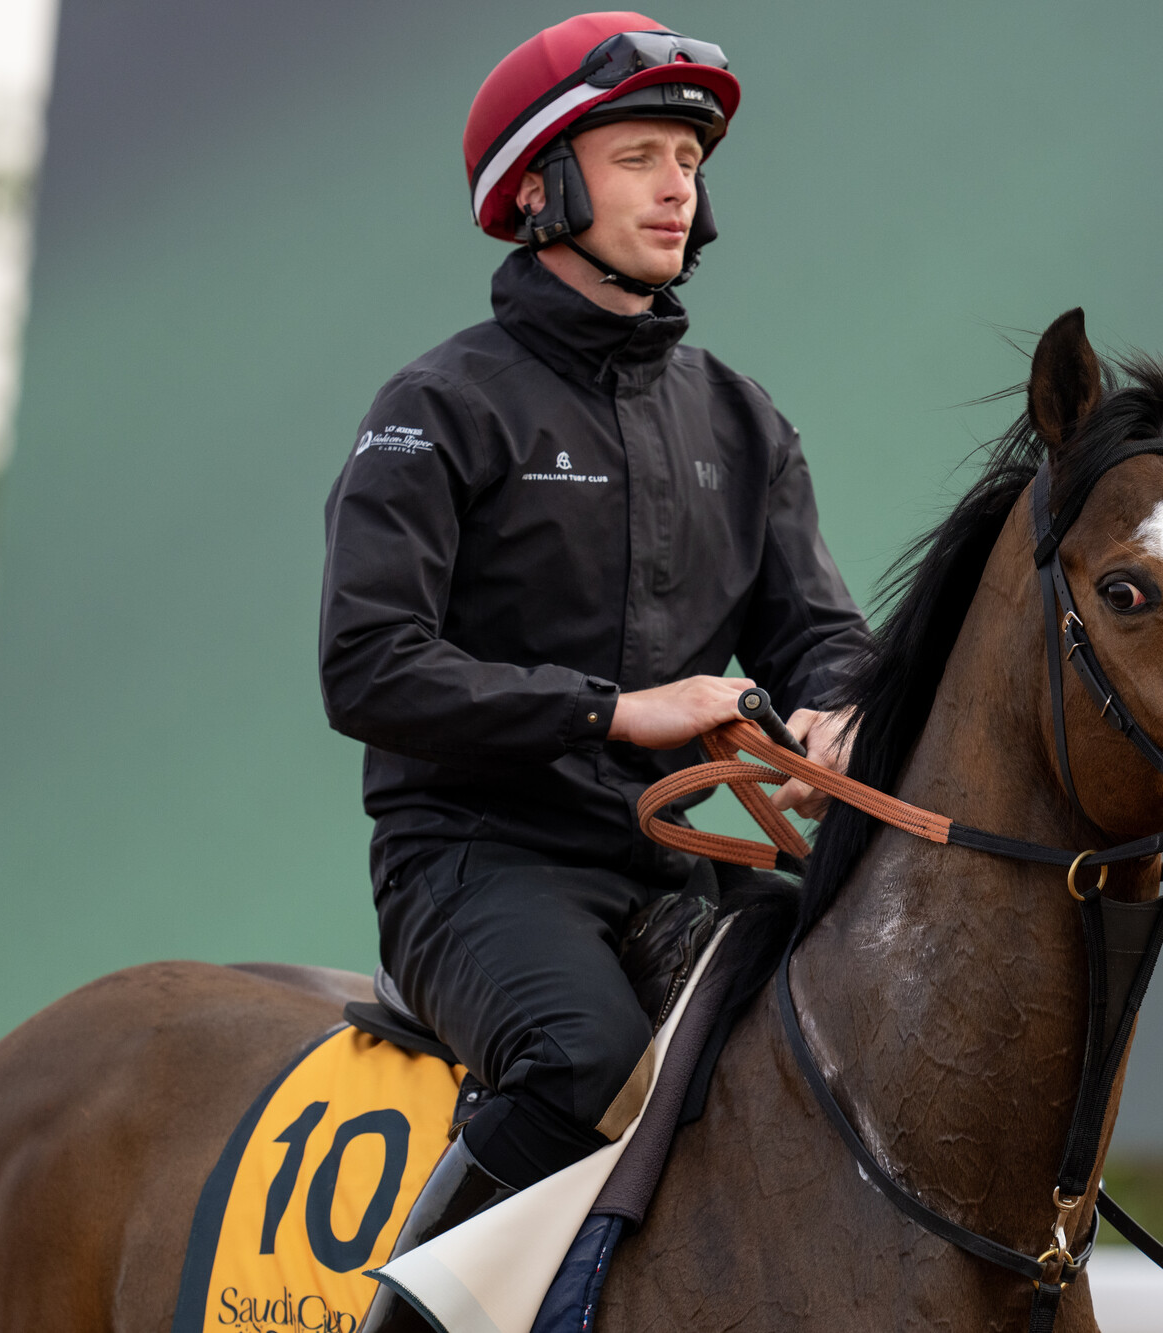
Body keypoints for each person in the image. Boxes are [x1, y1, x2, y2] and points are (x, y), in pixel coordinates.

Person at [318, 15, 868, 1329]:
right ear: (540, 189)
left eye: (689, 155)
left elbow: (820, 634)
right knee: (581, 1055)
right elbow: (367, 668)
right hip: (472, 860)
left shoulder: (743, 420)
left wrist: (843, 707)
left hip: (674, 864)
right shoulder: (438, 403)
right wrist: (616, 712)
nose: (680, 185)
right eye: (639, 155)